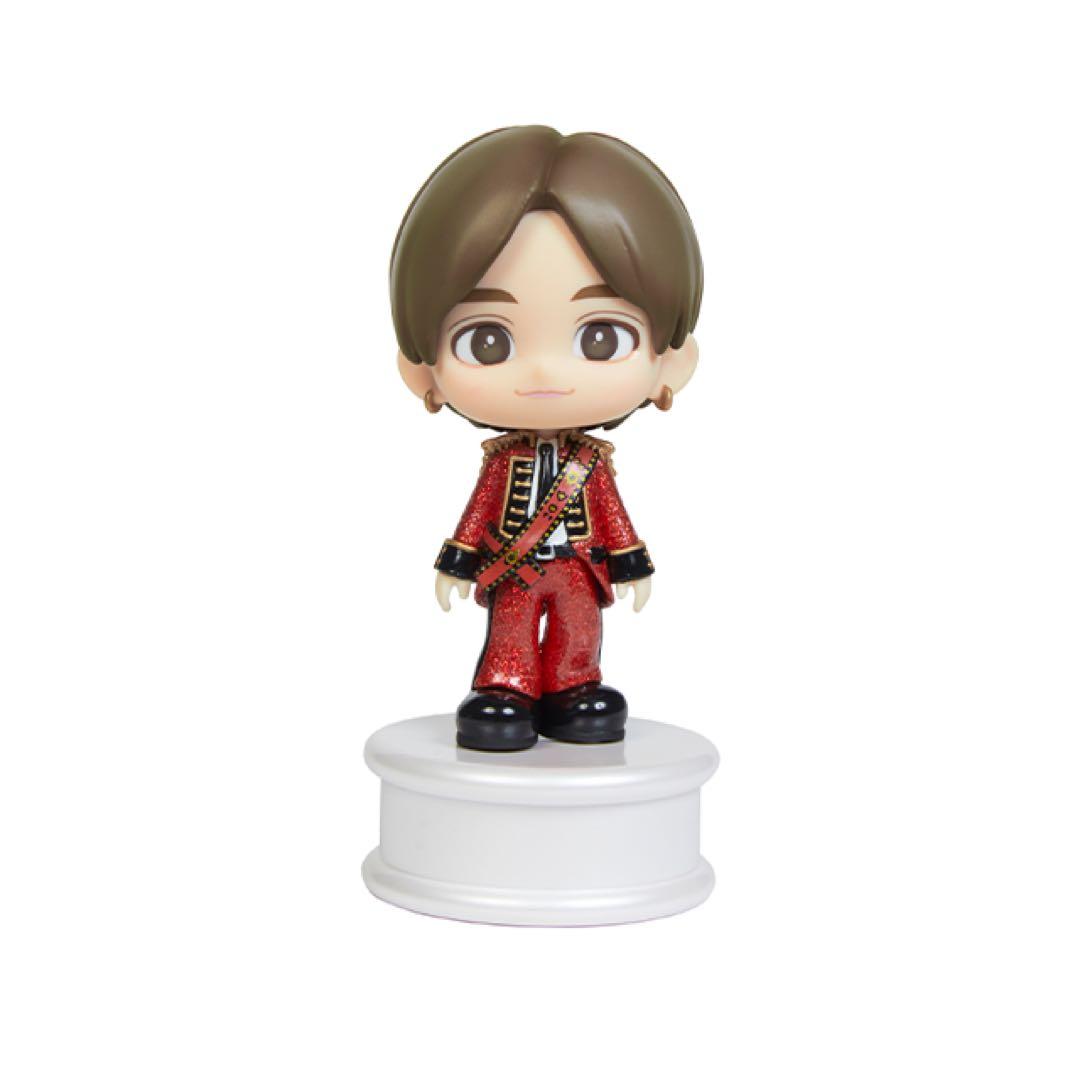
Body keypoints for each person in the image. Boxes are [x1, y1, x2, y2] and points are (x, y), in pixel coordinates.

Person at [391, 127, 703, 751]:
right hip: (516, 562)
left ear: (671, 364)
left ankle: (573, 685)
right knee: (510, 631)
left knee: (577, 630)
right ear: (422, 372)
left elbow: (610, 512)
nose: (542, 372)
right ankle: (505, 688)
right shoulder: (500, 460)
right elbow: (481, 509)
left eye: (600, 338)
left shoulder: (591, 462)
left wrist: (629, 562)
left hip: (579, 565)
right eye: (487, 340)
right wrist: (458, 561)